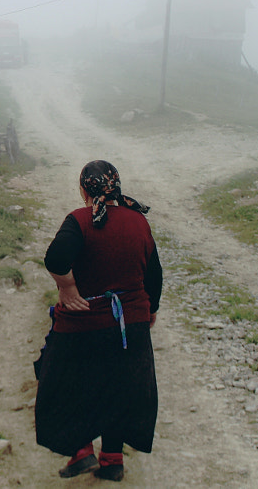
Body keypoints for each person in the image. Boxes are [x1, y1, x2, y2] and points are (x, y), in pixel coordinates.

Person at [34, 160, 162, 482]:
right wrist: (151, 309)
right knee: (119, 388)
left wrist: (67, 286)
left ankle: (82, 452)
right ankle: (112, 459)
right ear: (116, 186)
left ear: (82, 190)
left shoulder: (80, 220)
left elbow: (55, 258)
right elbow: (154, 273)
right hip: (129, 325)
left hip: (83, 323)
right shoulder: (139, 222)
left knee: (68, 383)